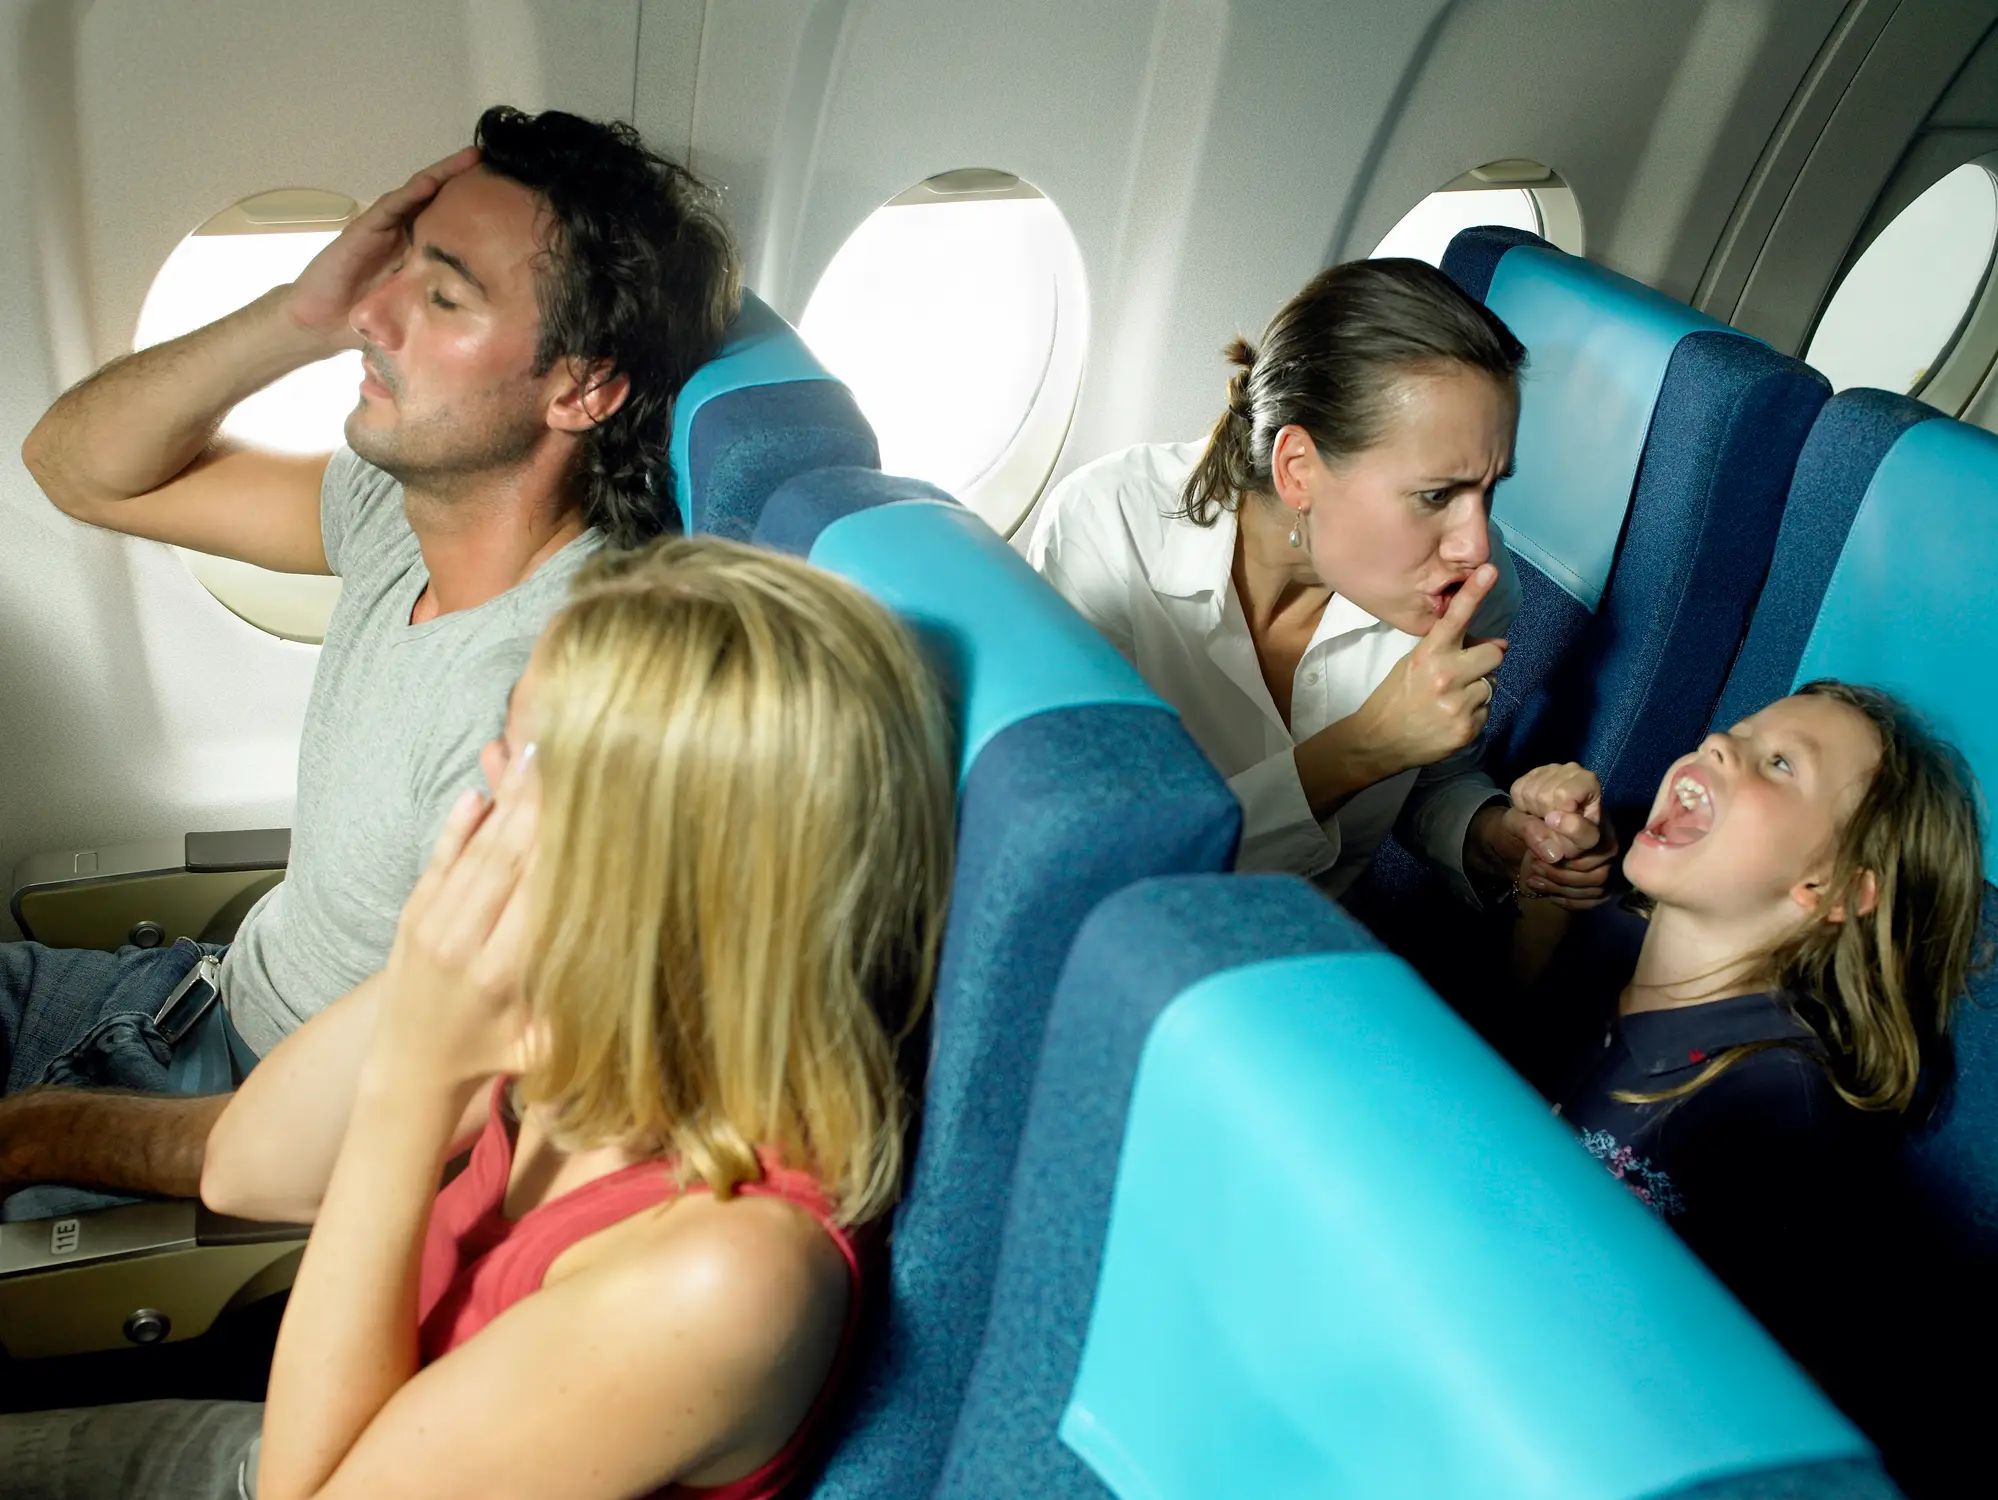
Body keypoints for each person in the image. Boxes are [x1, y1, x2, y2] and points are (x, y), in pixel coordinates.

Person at [0, 537, 957, 1499]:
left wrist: (415, 1081)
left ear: (651, 864)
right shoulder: (583, 1016)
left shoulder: (726, 1280)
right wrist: (425, 995)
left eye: (525, 753)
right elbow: (246, 1165)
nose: (488, 772)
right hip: (324, 1419)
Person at [0, 107, 739, 1218]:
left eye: (442, 296)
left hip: (230, 1121)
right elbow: (75, 469)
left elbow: (418, 1135)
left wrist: (34, 1133)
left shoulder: (536, 710)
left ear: (582, 387)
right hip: (177, 1003)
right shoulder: (405, 514)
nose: (372, 317)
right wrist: (297, 316)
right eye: (399, 269)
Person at [1026, 259, 1613, 908]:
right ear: (1299, 470)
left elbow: (1424, 785)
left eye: (1489, 488)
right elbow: (1107, 865)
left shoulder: (1471, 585)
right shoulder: (1109, 532)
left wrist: (1496, 837)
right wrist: (1362, 748)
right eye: (1436, 493)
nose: (1476, 545)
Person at [1506, 681, 1983, 1392]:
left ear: (1831, 889)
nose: (1721, 743)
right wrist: (1549, 875)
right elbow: (1501, 1040)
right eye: (1737, 731)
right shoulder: (1601, 940)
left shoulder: (1779, 1104)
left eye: (1783, 764)